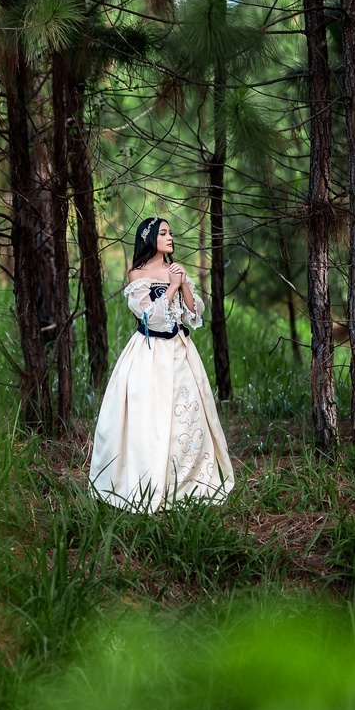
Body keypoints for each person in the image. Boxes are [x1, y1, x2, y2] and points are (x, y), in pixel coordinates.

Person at [89, 216, 235, 512]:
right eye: (164, 233)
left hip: (181, 353)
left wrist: (184, 286)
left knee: (188, 415)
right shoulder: (137, 274)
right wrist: (171, 287)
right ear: (150, 238)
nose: (170, 237)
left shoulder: (176, 270)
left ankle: (188, 483)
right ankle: (151, 483)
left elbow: (194, 317)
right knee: (151, 418)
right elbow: (150, 318)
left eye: (171, 233)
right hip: (150, 355)